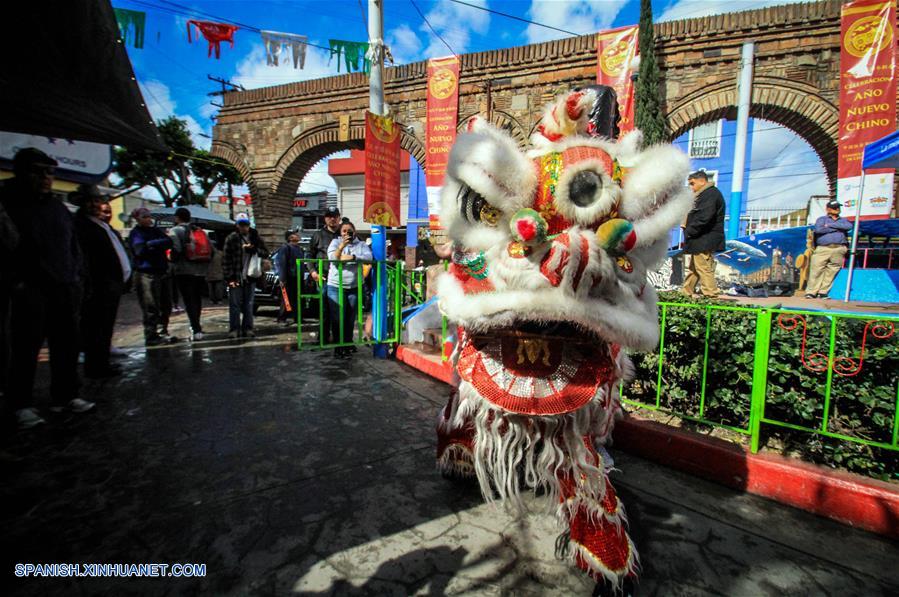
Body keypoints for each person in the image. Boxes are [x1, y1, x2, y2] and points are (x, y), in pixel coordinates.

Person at [0, 148, 94, 428]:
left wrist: (77, 275)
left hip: (63, 286)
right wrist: (16, 281)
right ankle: (21, 403)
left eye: (49, 172)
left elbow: (72, 245)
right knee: (25, 347)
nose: (45, 177)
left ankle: (66, 396)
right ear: (21, 172)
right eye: (37, 171)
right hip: (29, 287)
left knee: (66, 342)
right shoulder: (8, 203)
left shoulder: (56, 207)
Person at [73, 185, 131, 378]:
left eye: (97, 201)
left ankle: (102, 362)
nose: (95, 205)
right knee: (95, 328)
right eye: (90, 201)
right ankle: (96, 367)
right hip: (97, 286)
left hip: (112, 285)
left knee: (105, 327)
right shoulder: (81, 226)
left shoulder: (103, 225)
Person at [128, 207, 177, 346]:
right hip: (146, 274)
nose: (148, 219)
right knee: (151, 306)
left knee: (165, 304)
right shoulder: (136, 233)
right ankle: (151, 335)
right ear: (138, 219)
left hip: (161, 272)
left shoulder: (155, 231)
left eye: (149, 216)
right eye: (145, 217)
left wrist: (151, 244)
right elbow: (140, 250)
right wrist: (154, 244)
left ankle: (162, 331)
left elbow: (168, 242)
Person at [326, 221, 372, 358]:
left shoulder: (361, 245)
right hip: (335, 286)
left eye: (349, 231)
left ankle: (347, 343)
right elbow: (333, 259)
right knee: (337, 318)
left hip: (354, 287)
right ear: (340, 233)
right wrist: (342, 246)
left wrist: (351, 257)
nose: (347, 233)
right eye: (344, 231)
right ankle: (338, 347)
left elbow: (368, 258)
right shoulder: (335, 242)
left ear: (355, 231)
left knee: (349, 318)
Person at [169, 207, 214, 340]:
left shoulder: (175, 231)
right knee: (197, 299)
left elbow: (176, 250)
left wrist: (171, 259)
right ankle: (197, 326)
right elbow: (211, 250)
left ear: (177, 218)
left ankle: (196, 328)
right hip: (200, 272)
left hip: (184, 271)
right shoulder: (200, 231)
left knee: (189, 301)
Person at [223, 213, 268, 338]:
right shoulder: (231, 238)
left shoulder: (255, 237)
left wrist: (254, 250)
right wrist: (229, 278)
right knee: (235, 305)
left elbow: (265, 253)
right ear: (237, 225)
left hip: (251, 276)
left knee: (249, 304)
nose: (244, 227)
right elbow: (226, 259)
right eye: (241, 224)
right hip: (236, 276)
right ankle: (234, 329)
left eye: (246, 224)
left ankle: (248, 328)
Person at [681, 170, 725, 298]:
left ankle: (711, 294)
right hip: (701, 237)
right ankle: (686, 291)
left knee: (703, 267)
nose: (691, 187)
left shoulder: (710, 194)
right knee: (695, 267)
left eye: (692, 183)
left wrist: (690, 231)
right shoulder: (706, 194)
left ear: (702, 181)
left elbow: (704, 217)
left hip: (704, 237)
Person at [307, 206, 341, 344]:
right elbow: (309, 254)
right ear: (325, 218)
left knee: (341, 310)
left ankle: (341, 338)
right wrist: (313, 272)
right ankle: (323, 337)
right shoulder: (318, 235)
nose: (332, 219)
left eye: (334, 216)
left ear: (339, 217)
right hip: (324, 277)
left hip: (342, 278)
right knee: (325, 309)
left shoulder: (345, 233)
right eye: (329, 216)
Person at [805, 200, 852, 299]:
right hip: (823, 248)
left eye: (838, 207)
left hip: (839, 248)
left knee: (832, 271)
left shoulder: (843, 220)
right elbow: (819, 230)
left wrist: (830, 225)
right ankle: (811, 292)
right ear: (828, 209)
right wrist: (839, 228)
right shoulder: (822, 219)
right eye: (835, 208)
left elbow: (849, 226)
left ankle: (823, 292)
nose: (837, 209)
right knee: (816, 270)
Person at [274, 229, 304, 326]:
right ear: (290, 237)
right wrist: (282, 279)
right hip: (288, 278)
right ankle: (282, 318)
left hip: (297, 278)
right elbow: (281, 264)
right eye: (295, 234)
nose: (298, 235)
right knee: (286, 299)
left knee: (297, 299)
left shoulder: (299, 249)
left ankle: (298, 318)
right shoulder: (285, 248)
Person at [206, 235, 225, 305]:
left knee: (213, 289)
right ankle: (218, 300)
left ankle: (214, 300)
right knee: (217, 289)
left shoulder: (207, 253)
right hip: (218, 273)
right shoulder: (221, 253)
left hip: (211, 273)